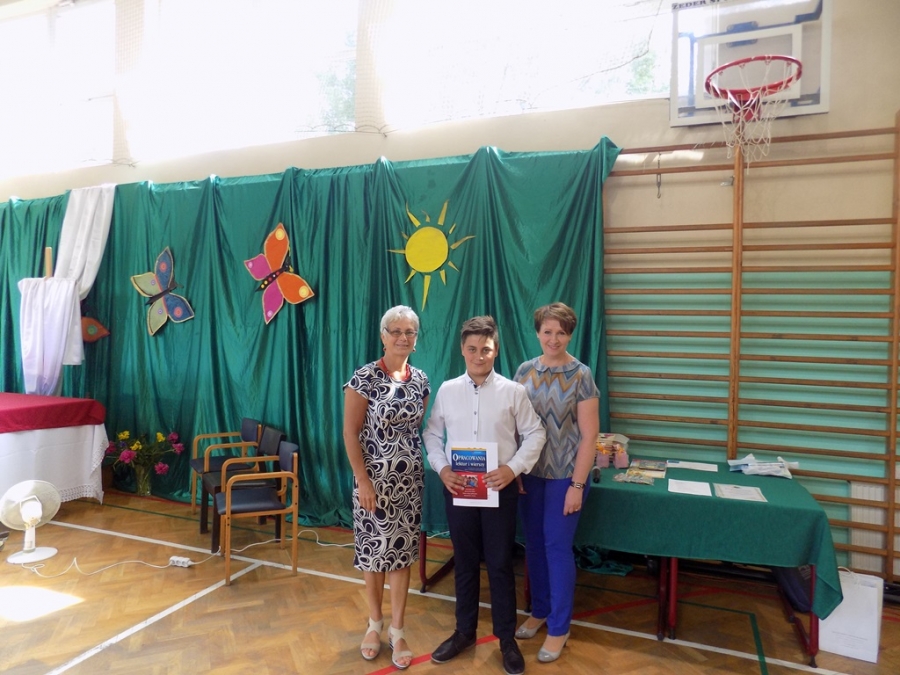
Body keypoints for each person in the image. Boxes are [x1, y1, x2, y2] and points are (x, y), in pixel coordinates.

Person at [423, 315, 546, 675]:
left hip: (499, 491)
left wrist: (513, 468)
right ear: (462, 349)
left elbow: (535, 434)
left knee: (500, 563)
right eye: (472, 349)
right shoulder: (448, 390)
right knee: (464, 562)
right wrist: (442, 468)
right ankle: (464, 632)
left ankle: (506, 639)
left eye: (486, 349)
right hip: (459, 491)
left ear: (496, 350)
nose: (479, 356)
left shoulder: (513, 392)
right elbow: (432, 435)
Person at [343, 305, 430, 670]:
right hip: (373, 485)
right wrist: (363, 480)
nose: (402, 337)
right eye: (395, 331)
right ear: (383, 336)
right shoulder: (364, 378)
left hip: (408, 485)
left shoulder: (421, 380)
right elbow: (350, 433)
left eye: (409, 332)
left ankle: (397, 630)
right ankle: (374, 623)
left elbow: (417, 431)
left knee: (402, 555)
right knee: (374, 554)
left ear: (416, 339)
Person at [513, 302, 600, 663]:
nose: (553, 338)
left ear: (569, 335)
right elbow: (515, 426)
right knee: (533, 545)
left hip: (566, 476)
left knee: (556, 547)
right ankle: (540, 610)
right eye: (547, 331)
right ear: (537, 333)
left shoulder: (581, 375)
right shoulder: (523, 371)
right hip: (530, 474)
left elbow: (589, 436)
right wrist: (515, 470)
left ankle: (560, 627)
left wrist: (577, 486)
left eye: (560, 332)